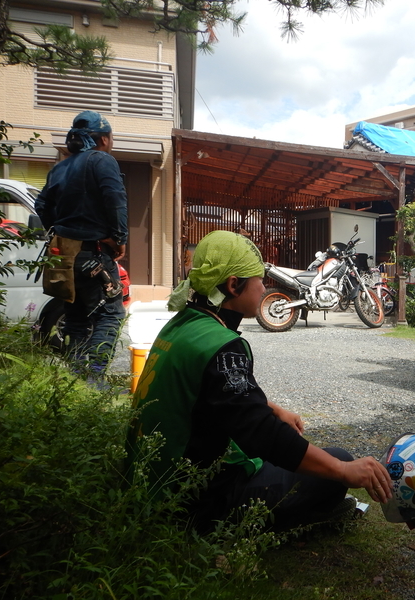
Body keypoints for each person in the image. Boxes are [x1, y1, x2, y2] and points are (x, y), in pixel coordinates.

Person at [127, 230, 392, 532]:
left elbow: (211, 390)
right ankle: (270, 523)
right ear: (233, 285)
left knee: (306, 462)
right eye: (259, 280)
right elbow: (263, 435)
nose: (265, 287)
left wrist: (272, 407)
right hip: (191, 501)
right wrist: (344, 471)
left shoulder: (183, 324)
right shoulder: (222, 345)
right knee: (334, 466)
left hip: (150, 483)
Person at [35, 111, 128, 376]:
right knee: (110, 315)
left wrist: (62, 230)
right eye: (111, 137)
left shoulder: (60, 167)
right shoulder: (102, 160)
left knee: (76, 318)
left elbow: (42, 205)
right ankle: (94, 377)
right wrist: (119, 238)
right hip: (93, 252)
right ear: (103, 139)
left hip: (63, 254)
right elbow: (115, 199)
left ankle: (76, 378)